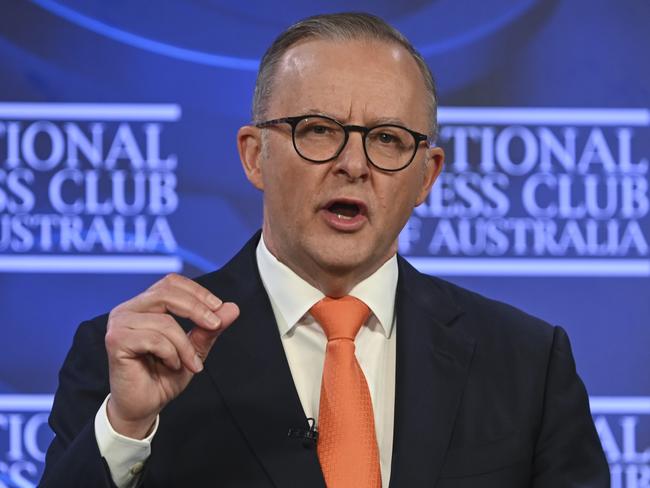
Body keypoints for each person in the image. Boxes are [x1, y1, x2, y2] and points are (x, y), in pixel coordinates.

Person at [40, 12, 609, 488]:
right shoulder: (135, 357)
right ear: (255, 155)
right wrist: (127, 429)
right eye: (317, 129)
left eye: (388, 138)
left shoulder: (526, 364)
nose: (354, 165)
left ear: (427, 176)